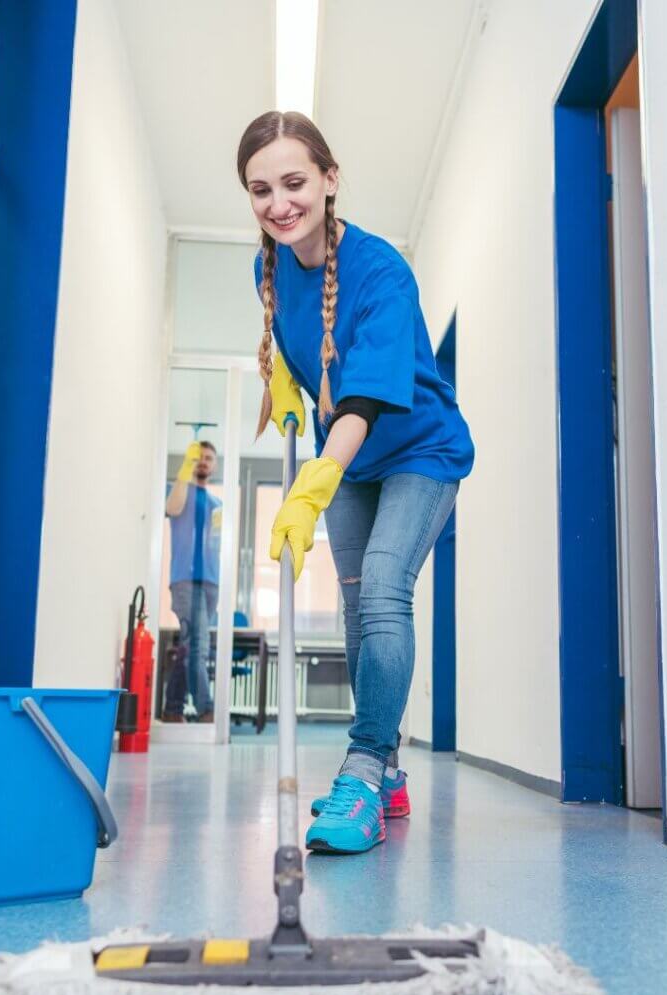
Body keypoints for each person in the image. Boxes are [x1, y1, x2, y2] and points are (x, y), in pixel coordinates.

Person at [237, 112, 474, 854]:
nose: (280, 203)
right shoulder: (267, 267)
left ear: (330, 179)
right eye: (261, 188)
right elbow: (310, 353)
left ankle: (365, 771)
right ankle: (391, 764)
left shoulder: (380, 271)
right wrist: (283, 381)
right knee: (352, 607)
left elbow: (365, 399)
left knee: (382, 589)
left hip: (418, 452)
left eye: (295, 182)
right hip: (349, 460)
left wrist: (314, 483)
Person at [162, 439, 222, 723]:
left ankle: (172, 709)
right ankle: (206, 709)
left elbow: (217, 543)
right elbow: (172, 510)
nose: (204, 461)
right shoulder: (180, 492)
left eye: (209, 458)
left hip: (210, 583)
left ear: (215, 465)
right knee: (198, 645)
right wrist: (184, 466)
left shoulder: (216, 503)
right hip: (186, 580)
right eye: (199, 457)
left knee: (189, 646)